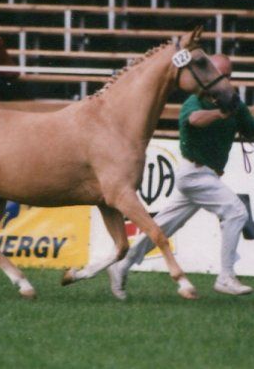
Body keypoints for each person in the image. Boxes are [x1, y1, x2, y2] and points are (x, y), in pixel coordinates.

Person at [109, 54, 254, 299]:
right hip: (194, 174)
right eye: (222, 75)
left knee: (164, 225)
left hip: (207, 176)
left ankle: (122, 265)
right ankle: (226, 277)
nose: (226, 81)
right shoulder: (195, 101)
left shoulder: (234, 104)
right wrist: (220, 114)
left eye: (229, 76)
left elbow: (250, 130)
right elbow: (194, 119)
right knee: (237, 212)